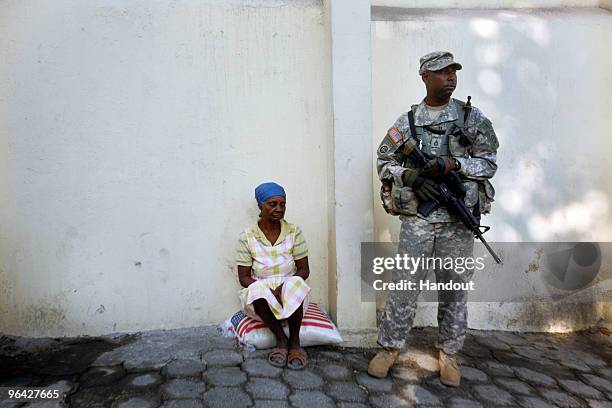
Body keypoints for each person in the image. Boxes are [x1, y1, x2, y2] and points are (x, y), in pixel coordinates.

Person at [368, 51, 499, 386]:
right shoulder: (408, 122)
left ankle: (450, 353)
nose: (450, 78)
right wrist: (410, 178)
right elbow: (384, 161)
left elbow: (488, 163)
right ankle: (389, 347)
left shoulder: (471, 118)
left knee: (454, 287)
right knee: (405, 283)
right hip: (419, 219)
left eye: (453, 72)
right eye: (442, 72)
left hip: (457, 218)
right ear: (425, 76)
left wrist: (456, 166)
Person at [235, 182, 310, 369]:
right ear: (260, 206)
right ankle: (281, 340)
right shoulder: (247, 236)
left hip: (291, 294)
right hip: (262, 300)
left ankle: (295, 343)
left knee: (296, 285)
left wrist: (285, 286)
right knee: (256, 290)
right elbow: (244, 277)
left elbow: (304, 270)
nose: (279, 209)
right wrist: (268, 290)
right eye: (272, 204)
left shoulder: (294, 231)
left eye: (282, 204)